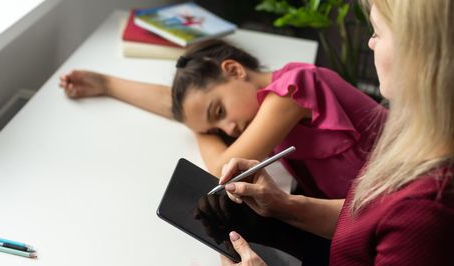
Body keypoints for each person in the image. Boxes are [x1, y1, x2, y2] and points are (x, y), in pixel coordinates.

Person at [218, 0, 454, 266]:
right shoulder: (423, 135)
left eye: (377, 32)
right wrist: (285, 205)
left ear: (420, 51)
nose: (370, 43)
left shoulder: (430, 205)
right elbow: (377, 222)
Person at [59, 39, 385, 199]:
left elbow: (223, 169)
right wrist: (107, 84)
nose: (227, 128)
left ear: (234, 70)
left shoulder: (292, 90)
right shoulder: (256, 104)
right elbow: (184, 106)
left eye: (219, 113)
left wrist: (194, 125)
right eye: (215, 128)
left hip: (412, 193)